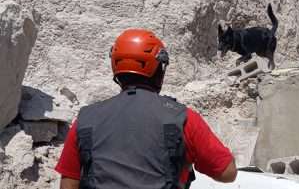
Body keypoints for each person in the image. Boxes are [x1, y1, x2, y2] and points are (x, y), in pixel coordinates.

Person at [55, 29, 237, 189]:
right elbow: (227, 173)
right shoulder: (183, 119)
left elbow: (68, 184)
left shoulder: (85, 120)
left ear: (116, 67)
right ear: (158, 69)